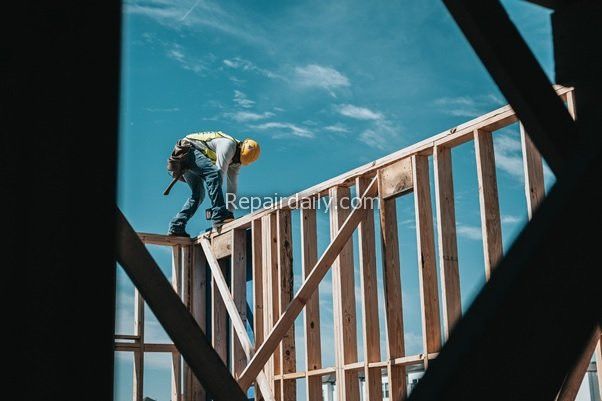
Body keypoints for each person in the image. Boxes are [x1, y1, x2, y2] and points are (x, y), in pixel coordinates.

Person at [167, 131, 260, 237]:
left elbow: (232, 187)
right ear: (240, 147)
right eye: (237, 158)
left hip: (191, 157)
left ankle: (176, 226)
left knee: (198, 194)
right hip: (186, 150)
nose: (235, 162)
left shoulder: (236, 161)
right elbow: (218, 175)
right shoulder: (228, 145)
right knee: (213, 174)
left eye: (239, 161)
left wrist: (230, 212)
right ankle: (219, 215)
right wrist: (220, 212)